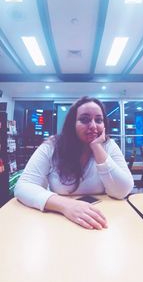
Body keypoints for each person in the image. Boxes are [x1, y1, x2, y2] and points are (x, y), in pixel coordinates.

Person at [15, 96, 134, 230]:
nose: (94, 126)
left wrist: (96, 147)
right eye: (84, 119)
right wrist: (66, 206)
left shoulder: (109, 145)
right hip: (58, 221)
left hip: (103, 219)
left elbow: (122, 191)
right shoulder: (52, 146)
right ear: (72, 124)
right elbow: (23, 186)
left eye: (99, 120)